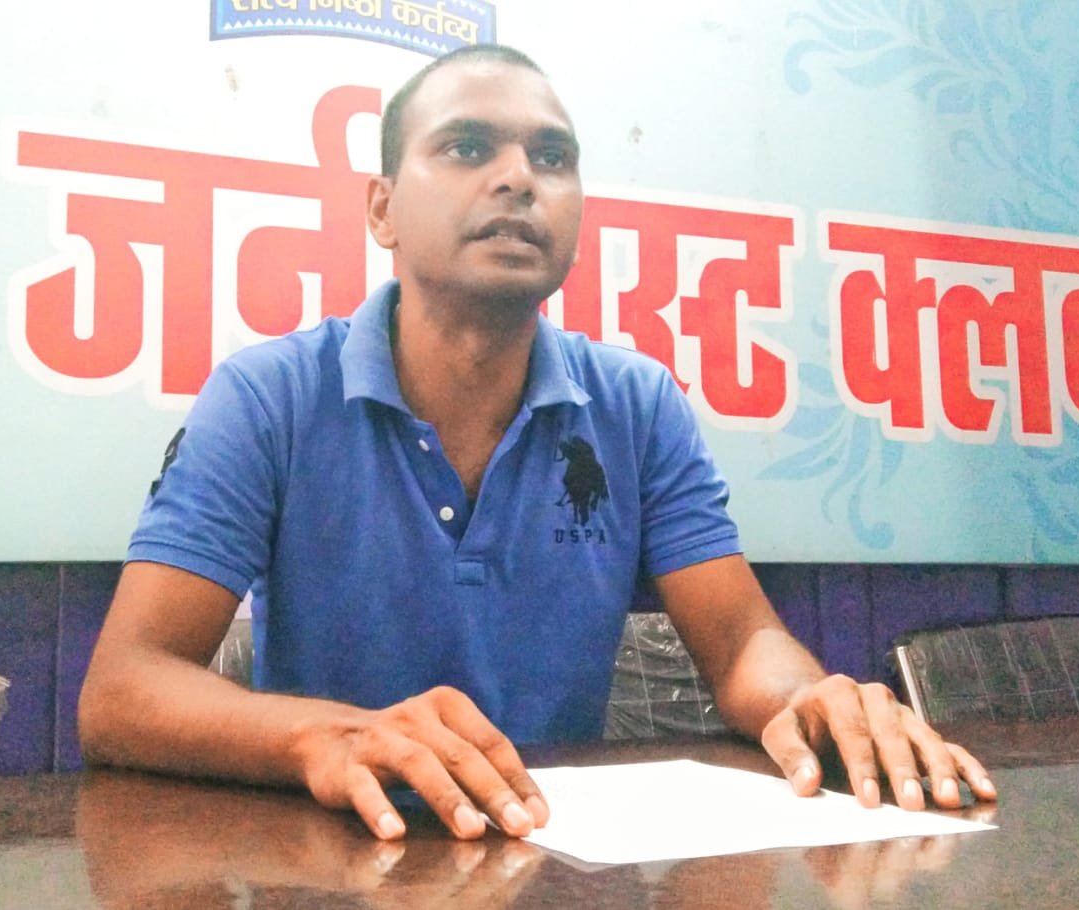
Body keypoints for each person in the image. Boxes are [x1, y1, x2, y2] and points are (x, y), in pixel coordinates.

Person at [78, 43, 996, 842]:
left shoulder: (636, 404)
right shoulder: (268, 397)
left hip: (553, 855)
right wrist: (330, 736)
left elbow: (742, 641)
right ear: (382, 209)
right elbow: (124, 689)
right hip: (337, 856)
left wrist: (807, 699)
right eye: (468, 147)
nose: (519, 178)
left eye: (551, 157)